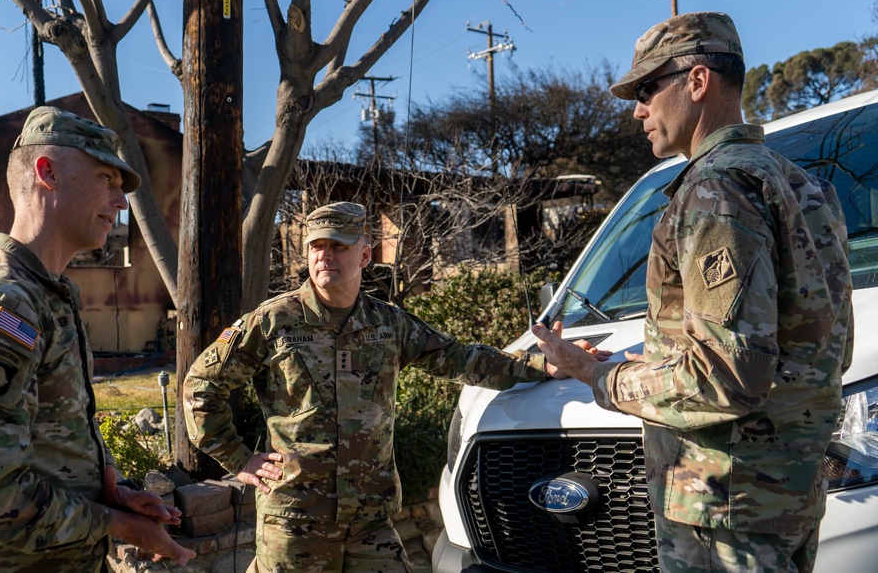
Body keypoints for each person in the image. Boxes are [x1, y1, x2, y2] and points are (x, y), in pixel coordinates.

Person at [530, 12, 854, 573]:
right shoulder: (798, 183)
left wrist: (594, 374)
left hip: (721, 509)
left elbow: (724, 377)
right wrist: (654, 360)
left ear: (697, 82)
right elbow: (822, 346)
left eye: (648, 89)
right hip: (782, 497)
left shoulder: (715, 189)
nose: (638, 110)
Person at [182, 201, 606, 572]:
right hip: (295, 519)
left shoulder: (388, 323)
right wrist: (237, 457)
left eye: (338, 245)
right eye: (317, 246)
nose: (325, 255)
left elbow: (460, 359)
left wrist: (544, 367)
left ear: (365, 255)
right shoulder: (273, 321)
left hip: (370, 520)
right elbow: (201, 386)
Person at [0, 106, 196, 572]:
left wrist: (114, 492)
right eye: (106, 178)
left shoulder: (46, 295)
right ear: (47, 172)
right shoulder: (3, 303)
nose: (120, 201)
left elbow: (47, 440)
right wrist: (117, 524)